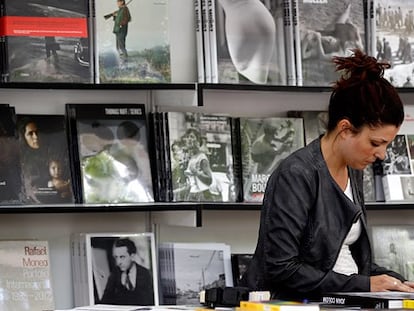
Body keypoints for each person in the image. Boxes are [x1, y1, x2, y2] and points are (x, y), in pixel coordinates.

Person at [240, 49, 414, 301]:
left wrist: (397, 282)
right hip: (296, 304)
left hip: (344, 301)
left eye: (386, 145)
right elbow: (281, 268)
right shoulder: (296, 175)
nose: (382, 155)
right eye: (376, 143)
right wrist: (363, 285)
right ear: (345, 129)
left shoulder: (354, 171)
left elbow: (349, 262)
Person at [100, 238, 154, 305]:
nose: (118, 262)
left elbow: (151, 303)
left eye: (122, 257)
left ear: (132, 256)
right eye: (116, 257)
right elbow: (104, 301)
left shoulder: (145, 274)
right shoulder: (114, 274)